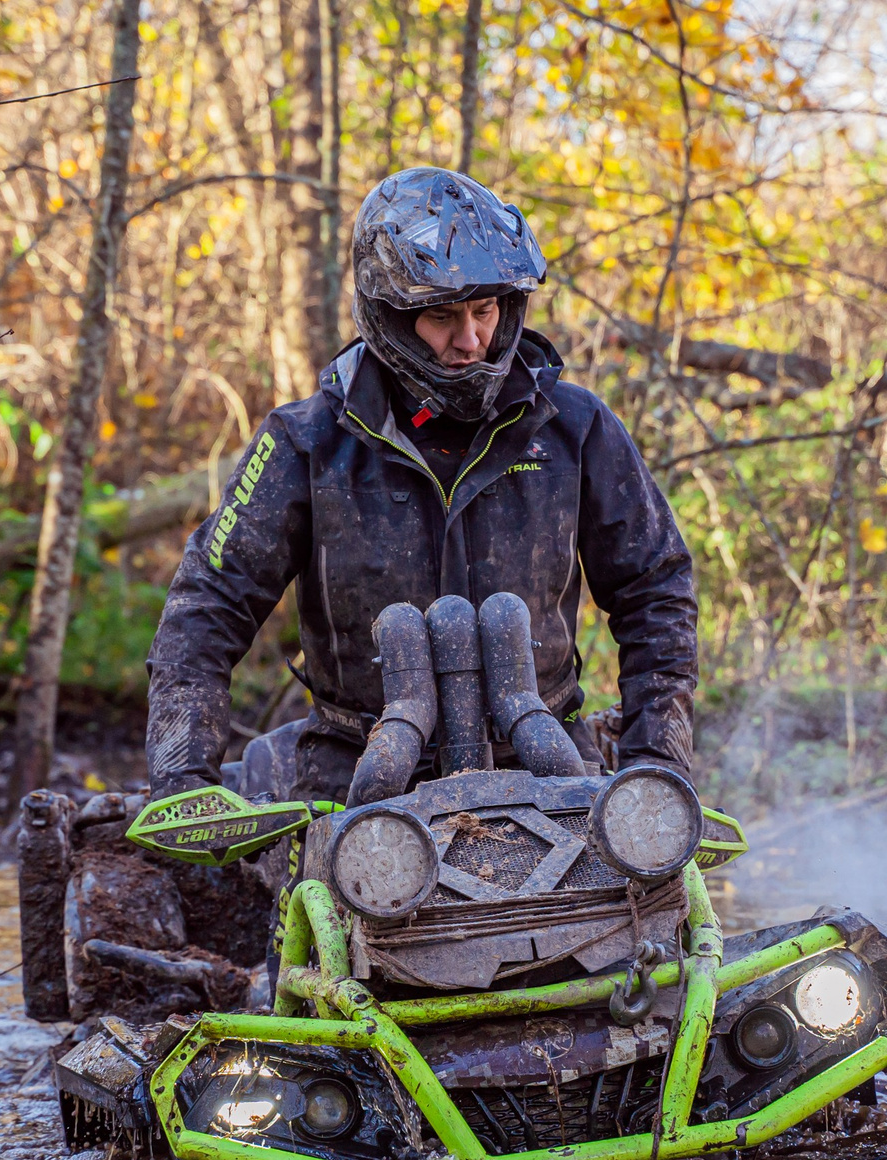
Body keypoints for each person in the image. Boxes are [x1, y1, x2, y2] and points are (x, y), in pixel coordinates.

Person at [143, 167, 699, 805]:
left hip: (545, 760)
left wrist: (657, 766)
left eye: (485, 310)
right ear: (390, 316)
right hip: (352, 770)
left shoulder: (574, 427)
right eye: (442, 317)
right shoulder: (305, 441)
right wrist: (183, 781)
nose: (470, 341)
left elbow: (656, 590)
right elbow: (209, 603)